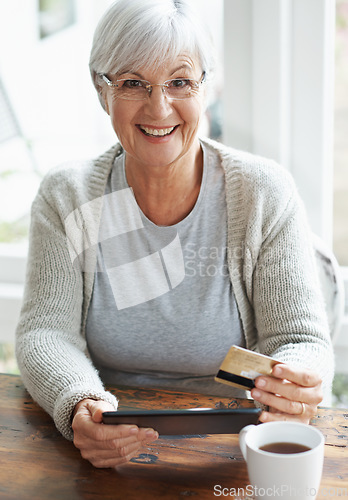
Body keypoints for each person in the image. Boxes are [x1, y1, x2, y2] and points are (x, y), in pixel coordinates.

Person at [16, 0, 334, 469]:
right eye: (132, 83)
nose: (159, 105)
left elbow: (300, 337)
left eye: (180, 82)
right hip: (112, 443)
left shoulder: (263, 191)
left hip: (238, 445)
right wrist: (79, 402)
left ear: (207, 86)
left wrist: (298, 380)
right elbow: (46, 332)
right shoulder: (68, 197)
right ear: (101, 91)